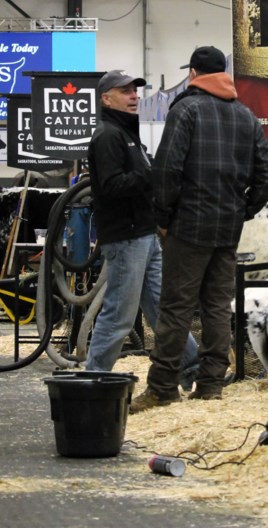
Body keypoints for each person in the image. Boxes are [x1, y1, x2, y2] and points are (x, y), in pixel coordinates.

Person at [131, 46, 268, 413]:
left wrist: (162, 218)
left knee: (176, 307)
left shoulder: (187, 109)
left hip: (187, 227)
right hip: (225, 231)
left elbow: (167, 170)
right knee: (215, 307)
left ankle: (163, 386)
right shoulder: (246, 116)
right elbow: (267, 176)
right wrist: (242, 211)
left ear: (194, 73)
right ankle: (211, 384)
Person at [85, 70, 200, 388]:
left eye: (135, 91)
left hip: (144, 234)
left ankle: (191, 364)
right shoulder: (108, 136)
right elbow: (111, 186)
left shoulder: (127, 135)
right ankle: (93, 381)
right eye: (125, 92)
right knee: (119, 316)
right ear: (106, 99)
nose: (134, 96)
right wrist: (153, 174)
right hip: (126, 237)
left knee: (163, 308)